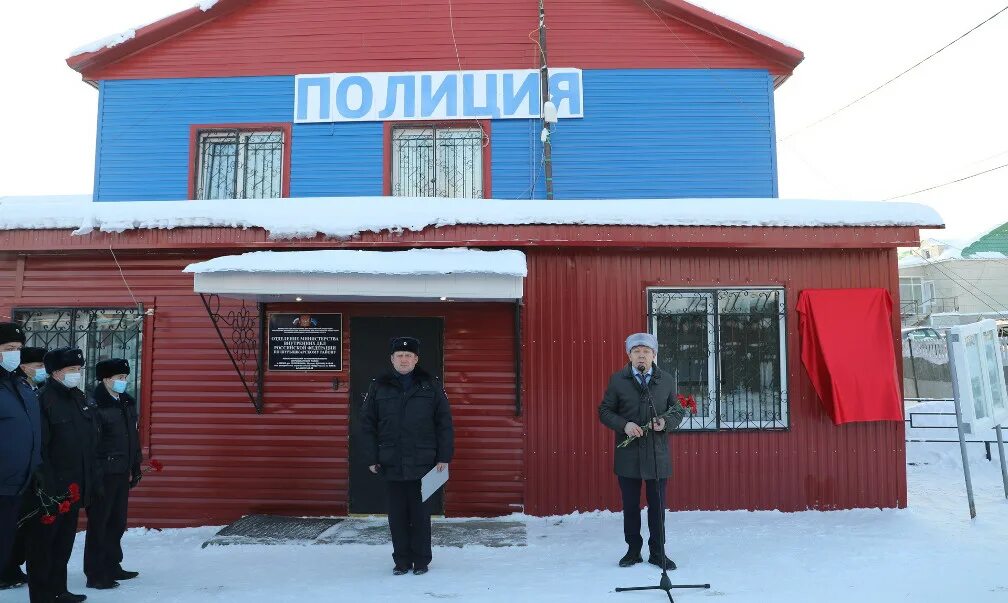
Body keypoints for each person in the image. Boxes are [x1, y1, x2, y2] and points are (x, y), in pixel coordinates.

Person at [360, 336, 454, 576]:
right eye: (399, 356)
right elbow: (368, 424)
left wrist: (444, 457)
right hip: (390, 462)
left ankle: (421, 561)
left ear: (416, 359)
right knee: (397, 516)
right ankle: (401, 561)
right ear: (392, 359)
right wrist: (372, 457)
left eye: (408, 356)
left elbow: (444, 423)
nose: (404, 359)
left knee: (421, 515)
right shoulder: (378, 386)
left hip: (424, 463)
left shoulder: (431, 386)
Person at [598, 332, 685, 570]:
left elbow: (677, 410)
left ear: (654, 355)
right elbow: (605, 411)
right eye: (636, 352)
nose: (641, 356)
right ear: (629, 355)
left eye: (646, 352)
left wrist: (665, 423)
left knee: (657, 507)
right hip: (629, 457)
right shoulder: (618, 380)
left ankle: (658, 552)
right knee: (631, 506)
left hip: (657, 455)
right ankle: (633, 551)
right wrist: (624, 425)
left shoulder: (665, 380)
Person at [27, 347, 98, 603]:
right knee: (44, 544)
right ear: (55, 372)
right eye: (71, 370)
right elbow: (40, 446)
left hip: (74, 485)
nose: (76, 374)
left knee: (64, 542)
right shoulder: (43, 399)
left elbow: (86, 442)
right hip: (50, 487)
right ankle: (42, 595)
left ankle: (59, 589)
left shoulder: (78, 397)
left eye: (79, 370)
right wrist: (46, 481)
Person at [84, 358, 142, 589]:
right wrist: (96, 474)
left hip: (121, 470)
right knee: (99, 523)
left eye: (125, 378)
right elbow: (91, 444)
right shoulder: (95, 404)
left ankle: (112, 565)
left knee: (117, 522)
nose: (123, 382)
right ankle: (95, 573)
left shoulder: (126, 402)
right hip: (103, 472)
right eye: (119, 378)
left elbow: (132, 437)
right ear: (106, 379)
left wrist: (135, 465)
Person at [1, 345, 47, 589]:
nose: (15, 354)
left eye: (18, 349)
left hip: (21, 478)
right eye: (9, 348)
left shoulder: (22, 388)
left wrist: (36, 465)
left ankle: (9, 569)